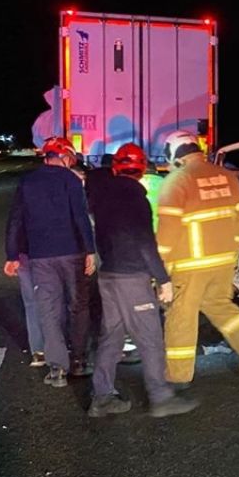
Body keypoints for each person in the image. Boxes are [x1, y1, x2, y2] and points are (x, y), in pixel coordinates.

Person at [86, 143, 198, 418]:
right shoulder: (136, 200)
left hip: (109, 275)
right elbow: (145, 243)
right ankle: (161, 398)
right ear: (142, 169)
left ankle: (101, 397)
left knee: (111, 338)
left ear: (116, 167)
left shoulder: (102, 197)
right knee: (149, 338)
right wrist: (163, 279)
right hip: (131, 279)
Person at [156, 130, 239, 384]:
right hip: (223, 261)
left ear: (174, 154)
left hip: (190, 264)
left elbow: (168, 231)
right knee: (218, 304)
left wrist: (159, 269)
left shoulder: (177, 181)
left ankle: (177, 377)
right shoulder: (227, 177)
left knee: (180, 316)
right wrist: (232, 253)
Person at [3, 136, 96, 386]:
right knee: (78, 306)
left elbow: (15, 221)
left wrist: (12, 255)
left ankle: (57, 370)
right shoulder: (71, 180)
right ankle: (78, 361)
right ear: (65, 157)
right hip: (72, 254)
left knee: (48, 309)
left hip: (40, 257)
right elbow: (81, 217)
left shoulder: (27, 182)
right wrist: (90, 250)